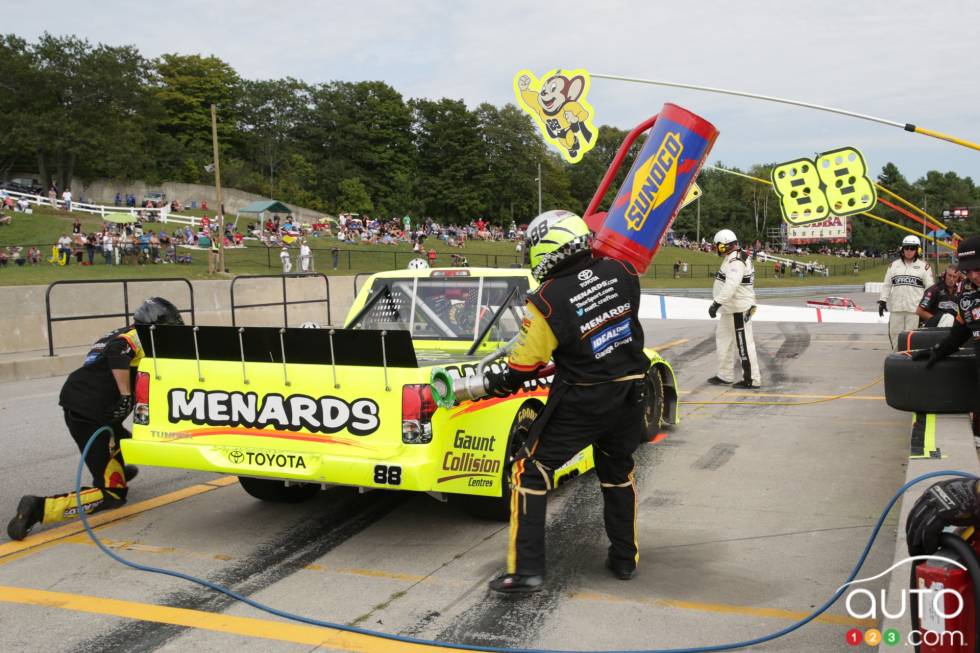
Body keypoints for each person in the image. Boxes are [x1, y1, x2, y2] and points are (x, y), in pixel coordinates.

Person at [483, 210, 648, 594]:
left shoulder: (546, 300)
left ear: (547, 248)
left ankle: (526, 573)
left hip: (584, 400)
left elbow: (523, 365)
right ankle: (625, 559)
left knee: (529, 472)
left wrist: (500, 382)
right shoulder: (623, 271)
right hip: (631, 393)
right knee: (617, 473)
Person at [6, 298, 185, 540]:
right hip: (90, 413)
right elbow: (117, 352)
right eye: (170, 328)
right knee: (113, 494)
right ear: (154, 325)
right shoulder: (136, 337)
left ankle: (115, 467)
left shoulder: (117, 332)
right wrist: (125, 395)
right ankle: (40, 508)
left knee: (125, 440)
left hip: (86, 403)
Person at [707, 229, 761, 389]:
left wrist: (716, 303)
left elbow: (731, 285)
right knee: (723, 341)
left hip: (738, 309)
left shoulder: (737, 260)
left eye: (718, 245)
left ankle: (752, 379)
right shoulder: (732, 257)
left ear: (724, 245)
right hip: (729, 309)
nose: (716, 248)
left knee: (744, 344)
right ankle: (725, 375)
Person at [879, 235, 934, 347]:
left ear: (917, 250)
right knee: (895, 336)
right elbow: (887, 285)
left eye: (912, 248)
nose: (909, 251)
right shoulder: (893, 266)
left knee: (911, 338)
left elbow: (930, 288)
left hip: (914, 310)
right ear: (902, 249)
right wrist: (882, 301)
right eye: (906, 248)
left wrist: (928, 305)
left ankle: (909, 357)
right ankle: (896, 356)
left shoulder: (924, 267)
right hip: (896, 309)